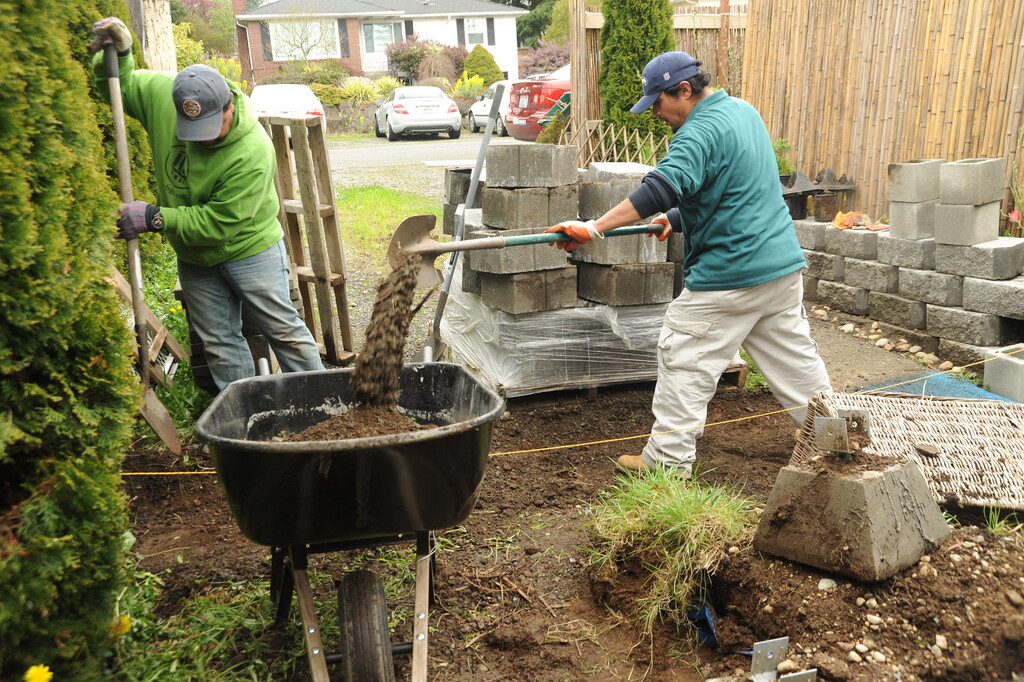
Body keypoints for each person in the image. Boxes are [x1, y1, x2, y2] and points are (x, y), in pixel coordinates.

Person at [547, 51, 831, 477]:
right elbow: (737, 187)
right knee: (795, 361)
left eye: (658, 103)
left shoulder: (698, 132)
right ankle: (834, 436)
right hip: (780, 270)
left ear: (684, 90)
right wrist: (676, 220)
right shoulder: (744, 113)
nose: (656, 113)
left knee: (683, 352)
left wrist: (594, 227)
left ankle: (665, 462)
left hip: (730, 276)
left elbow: (659, 187)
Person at [90, 17, 323, 392]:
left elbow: (221, 223)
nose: (204, 139)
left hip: (250, 249)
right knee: (219, 344)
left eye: (215, 126)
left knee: (284, 331)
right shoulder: (164, 97)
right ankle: (250, 420)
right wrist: (118, 54)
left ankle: (323, 405)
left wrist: (155, 218)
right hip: (197, 258)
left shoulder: (251, 150)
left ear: (229, 105)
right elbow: (121, 86)